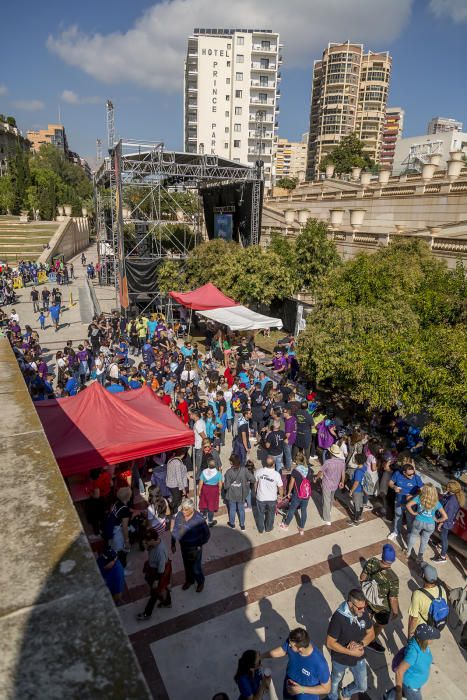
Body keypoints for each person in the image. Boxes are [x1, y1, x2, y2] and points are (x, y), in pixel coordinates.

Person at [326, 588, 375, 700]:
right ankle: (333, 697)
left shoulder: (362, 612)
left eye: (364, 606)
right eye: (359, 608)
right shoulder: (338, 618)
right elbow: (329, 643)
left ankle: (344, 693)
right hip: (340, 659)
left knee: (362, 686)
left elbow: (371, 633)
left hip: (359, 657)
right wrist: (350, 652)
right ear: (350, 604)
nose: (363, 610)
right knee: (335, 682)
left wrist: (361, 644)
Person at [262, 627, 331, 699]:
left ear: (300, 648)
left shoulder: (320, 664)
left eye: (291, 645)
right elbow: (282, 650)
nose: (289, 645)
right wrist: (261, 656)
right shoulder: (293, 643)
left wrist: (301, 689)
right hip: (288, 692)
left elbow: (326, 689)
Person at [359, 543, 400, 653]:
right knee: (379, 625)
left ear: (382, 556)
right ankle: (370, 641)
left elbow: (362, 578)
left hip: (368, 600)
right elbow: (393, 599)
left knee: (367, 618)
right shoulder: (393, 578)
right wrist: (395, 612)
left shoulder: (372, 562)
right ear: (393, 560)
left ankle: (361, 632)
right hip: (382, 608)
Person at [384, 624, 440, 700]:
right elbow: (399, 672)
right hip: (412, 686)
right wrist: (399, 695)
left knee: (404, 691)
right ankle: (391, 696)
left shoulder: (421, 643)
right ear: (425, 640)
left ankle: (388, 697)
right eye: (431, 637)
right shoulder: (413, 653)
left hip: (414, 681)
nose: (433, 639)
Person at [171, 498, 210, 593]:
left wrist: (199, 544)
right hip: (184, 547)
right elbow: (175, 529)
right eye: (182, 509)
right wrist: (173, 543)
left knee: (196, 568)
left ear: (191, 509)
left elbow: (207, 535)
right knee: (187, 566)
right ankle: (190, 581)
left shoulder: (199, 519)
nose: (183, 511)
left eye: (185, 509)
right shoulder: (180, 515)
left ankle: (200, 582)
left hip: (195, 548)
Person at [406, 484, 447, 562]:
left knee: (413, 536)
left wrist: (414, 513)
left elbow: (408, 505)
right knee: (424, 541)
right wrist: (437, 520)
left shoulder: (419, 498)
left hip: (418, 521)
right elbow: (445, 517)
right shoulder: (436, 502)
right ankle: (419, 557)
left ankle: (408, 552)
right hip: (430, 524)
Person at [136, 529, 172, 620]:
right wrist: (146, 546)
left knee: (154, 593)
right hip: (152, 569)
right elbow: (148, 549)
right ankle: (167, 602)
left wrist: (156, 580)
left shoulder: (160, 552)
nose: (145, 542)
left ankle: (147, 614)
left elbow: (161, 569)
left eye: (147, 540)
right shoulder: (155, 541)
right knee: (153, 583)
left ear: (153, 540)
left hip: (158, 572)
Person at [407, 562, 448, 638]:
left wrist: (410, 635)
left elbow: (414, 618)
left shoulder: (418, 594)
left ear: (423, 576)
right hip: (433, 628)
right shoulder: (442, 589)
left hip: (421, 629)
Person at [388, 461, 424, 543]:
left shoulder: (416, 477)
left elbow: (423, 491)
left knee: (410, 519)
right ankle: (396, 532)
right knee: (398, 516)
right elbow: (390, 483)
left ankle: (409, 533)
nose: (412, 476)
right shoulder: (397, 474)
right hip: (399, 500)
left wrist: (413, 496)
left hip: (411, 503)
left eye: (413, 474)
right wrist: (394, 487)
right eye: (409, 475)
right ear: (404, 472)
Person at [280, 454, 313, 535]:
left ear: (297, 461)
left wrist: (288, 492)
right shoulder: (309, 470)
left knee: (292, 509)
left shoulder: (295, 471)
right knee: (304, 510)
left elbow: (291, 483)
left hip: (297, 494)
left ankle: (286, 525)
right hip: (306, 494)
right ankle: (301, 528)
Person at [432, 480, 464, 563]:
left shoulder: (451, 501)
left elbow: (447, 516)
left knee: (444, 538)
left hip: (446, 522)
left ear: (452, 489)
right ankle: (439, 545)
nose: (446, 487)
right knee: (443, 535)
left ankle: (442, 557)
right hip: (447, 521)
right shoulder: (452, 495)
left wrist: (440, 523)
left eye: (448, 486)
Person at [224, 453, 255, 530]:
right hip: (242, 494)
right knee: (241, 509)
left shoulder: (228, 472)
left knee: (232, 509)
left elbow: (226, 486)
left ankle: (232, 524)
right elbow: (253, 479)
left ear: (231, 462)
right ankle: (242, 525)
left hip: (232, 494)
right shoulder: (244, 470)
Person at [317, 443, 345, 526]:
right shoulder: (342, 462)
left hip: (326, 484)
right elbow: (343, 473)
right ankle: (328, 510)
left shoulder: (327, 462)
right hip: (335, 484)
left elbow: (321, 472)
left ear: (331, 453)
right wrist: (342, 481)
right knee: (331, 498)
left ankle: (327, 518)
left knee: (326, 500)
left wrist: (316, 478)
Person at [255, 456, 284, 534]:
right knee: (271, 514)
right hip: (272, 499)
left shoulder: (259, 471)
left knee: (260, 514)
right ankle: (268, 528)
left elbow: (256, 483)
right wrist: (280, 496)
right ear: (274, 464)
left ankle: (261, 529)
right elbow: (280, 487)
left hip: (260, 497)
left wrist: (255, 492)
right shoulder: (276, 474)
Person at [198, 458, 223, 527]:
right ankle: (210, 521)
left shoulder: (204, 472)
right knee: (211, 506)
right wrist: (219, 490)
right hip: (214, 490)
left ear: (208, 464)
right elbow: (220, 484)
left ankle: (203, 516)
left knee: (204, 503)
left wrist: (199, 490)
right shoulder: (218, 473)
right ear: (215, 465)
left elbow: (200, 483)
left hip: (205, 489)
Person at [166, 450, 188, 514]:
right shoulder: (178, 463)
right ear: (183, 454)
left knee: (175, 498)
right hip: (174, 484)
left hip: (170, 483)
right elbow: (179, 477)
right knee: (176, 499)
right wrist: (183, 488)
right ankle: (171, 511)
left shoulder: (171, 459)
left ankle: (173, 511)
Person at [347, 453, 367, 525]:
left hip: (357, 490)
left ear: (357, 461)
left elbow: (356, 482)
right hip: (362, 488)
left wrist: (351, 491)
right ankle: (360, 516)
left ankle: (356, 520)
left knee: (356, 505)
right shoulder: (364, 467)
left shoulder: (358, 471)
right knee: (360, 504)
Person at [191, 409, 207, 479]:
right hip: (199, 446)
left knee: (198, 463)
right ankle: (197, 475)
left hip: (198, 446)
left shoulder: (197, 424)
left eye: (191, 414)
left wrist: (205, 446)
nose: (190, 415)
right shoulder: (200, 421)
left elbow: (204, 436)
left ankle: (197, 477)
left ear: (195, 415)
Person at [283, 406, 297, 470]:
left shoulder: (288, 421)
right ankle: (288, 465)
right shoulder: (293, 418)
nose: (283, 413)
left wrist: (283, 438)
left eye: (284, 412)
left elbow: (287, 434)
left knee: (287, 455)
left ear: (287, 413)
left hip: (288, 440)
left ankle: (288, 468)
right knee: (289, 453)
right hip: (293, 438)